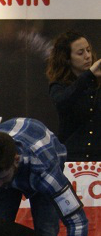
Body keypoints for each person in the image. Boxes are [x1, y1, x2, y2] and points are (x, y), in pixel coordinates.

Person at [46, 30, 101, 162]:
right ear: (67, 58)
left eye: (88, 50)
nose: (88, 56)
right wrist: (89, 75)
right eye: (80, 53)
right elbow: (62, 102)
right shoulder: (59, 86)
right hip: (72, 158)